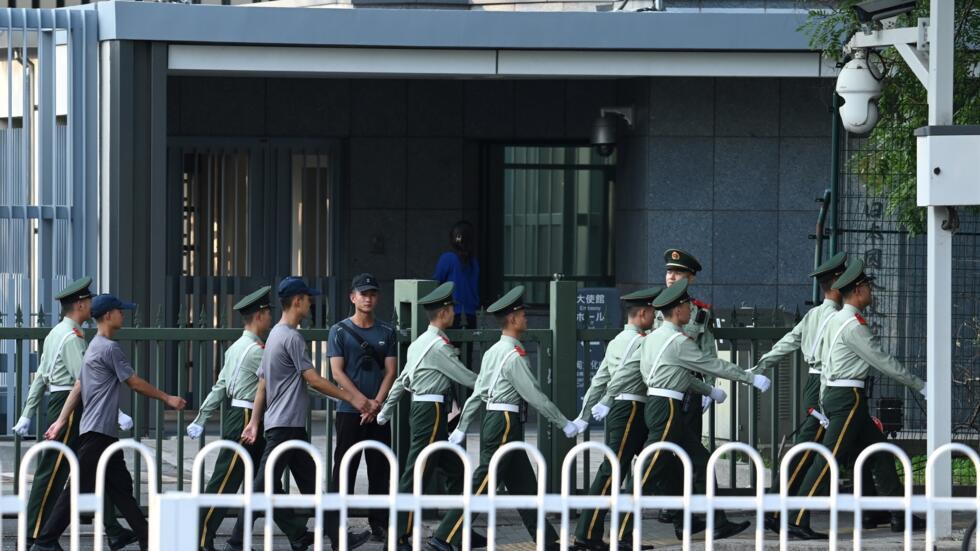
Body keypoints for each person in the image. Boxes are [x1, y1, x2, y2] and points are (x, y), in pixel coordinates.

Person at [615, 279, 771, 545]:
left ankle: (717, 522)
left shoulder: (652, 339)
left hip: (663, 406)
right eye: (687, 306)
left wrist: (709, 392)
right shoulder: (678, 342)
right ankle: (621, 535)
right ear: (677, 310)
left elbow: (676, 375)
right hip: (666, 409)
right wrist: (749, 378)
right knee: (648, 469)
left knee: (701, 459)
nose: (690, 311)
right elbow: (712, 364)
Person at [426, 285, 582, 551]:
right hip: (505, 423)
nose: (526, 319)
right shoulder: (513, 356)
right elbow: (535, 396)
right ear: (511, 319)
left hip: (498, 421)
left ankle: (548, 542)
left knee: (524, 486)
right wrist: (564, 423)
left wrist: (463, 427)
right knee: (483, 483)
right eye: (523, 315)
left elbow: (479, 392)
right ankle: (443, 537)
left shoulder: (494, 351)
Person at [226, 276, 373, 551]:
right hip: (285, 427)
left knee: (311, 487)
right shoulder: (291, 338)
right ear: (297, 301)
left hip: (285, 425)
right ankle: (236, 542)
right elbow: (314, 379)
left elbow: (262, 385)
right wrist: (352, 397)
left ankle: (339, 539)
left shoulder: (273, 337)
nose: (310, 303)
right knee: (261, 487)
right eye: (308, 299)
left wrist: (256, 422)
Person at [31, 294, 188, 551]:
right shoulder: (109, 348)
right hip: (97, 434)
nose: (123, 315)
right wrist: (166, 397)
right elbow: (134, 382)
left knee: (121, 488)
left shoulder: (94, 346)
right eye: (120, 311)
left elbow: (79, 386)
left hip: (100, 432)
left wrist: (61, 421)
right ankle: (45, 541)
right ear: (107, 316)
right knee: (77, 488)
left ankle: (148, 538)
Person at [785, 259, 927, 539]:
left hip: (844, 397)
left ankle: (900, 514)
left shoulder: (837, 320)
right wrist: (920, 385)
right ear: (859, 290)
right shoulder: (853, 326)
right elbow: (883, 361)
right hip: (847, 398)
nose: (872, 292)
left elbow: (824, 362)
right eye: (869, 287)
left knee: (881, 453)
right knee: (828, 458)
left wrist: (825, 397)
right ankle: (796, 518)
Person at [12, 278, 135, 550]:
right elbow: (87, 381)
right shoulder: (72, 337)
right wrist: (118, 414)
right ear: (80, 304)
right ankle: (36, 533)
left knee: (95, 467)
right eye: (89, 301)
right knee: (56, 469)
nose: (91, 306)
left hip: (67, 401)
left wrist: (28, 412)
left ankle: (113, 529)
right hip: (70, 404)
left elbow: (40, 377)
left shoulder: (58, 332)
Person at [185, 286, 305, 551]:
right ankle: (200, 536)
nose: (271, 318)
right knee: (226, 479)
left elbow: (220, 386)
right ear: (260, 315)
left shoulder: (236, 348)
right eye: (267, 313)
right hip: (248, 417)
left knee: (265, 481)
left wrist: (202, 417)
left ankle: (297, 533)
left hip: (242, 415)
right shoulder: (257, 351)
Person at [374, 282, 484, 551]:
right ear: (444, 313)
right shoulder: (438, 347)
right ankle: (398, 535)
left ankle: (458, 531)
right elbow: (465, 377)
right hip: (431, 412)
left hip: (427, 411)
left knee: (455, 471)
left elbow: (402, 380)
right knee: (416, 473)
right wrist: (492, 383)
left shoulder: (419, 343)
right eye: (452, 310)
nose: (454, 314)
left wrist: (385, 412)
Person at [571, 286, 667, 550]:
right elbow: (619, 379)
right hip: (629, 410)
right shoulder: (642, 341)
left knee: (640, 468)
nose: (655, 318)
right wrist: (602, 403)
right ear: (645, 313)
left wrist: (584, 414)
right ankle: (588, 534)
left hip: (624, 411)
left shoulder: (616, 341)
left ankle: (620, 535)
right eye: (653, 313)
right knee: (613, 471)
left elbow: (598, 380)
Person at [327, 273, 397, 541]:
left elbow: (391, 370)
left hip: (378, 411)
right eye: (363, 293)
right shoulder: (339, 331)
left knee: (380, 468)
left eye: (372, 293)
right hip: (349, 411)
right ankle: (337, 526)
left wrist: (376, 403)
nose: (368, 298)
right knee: (345, 468)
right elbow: (337, 372)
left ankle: (379, 524)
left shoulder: (387, 331)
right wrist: (360, 401)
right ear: (352, 297)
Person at [433, 221, 480, 330]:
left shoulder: (447, 258)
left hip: (451, 314)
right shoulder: (474, 263)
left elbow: (436, 285)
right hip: (471, 315)